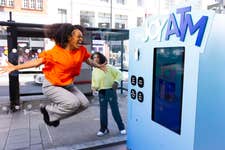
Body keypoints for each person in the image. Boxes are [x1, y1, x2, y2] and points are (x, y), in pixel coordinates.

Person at [0, 23, 106, 127]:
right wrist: (15, 67)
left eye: (82, 37)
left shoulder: (81, 50)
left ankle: (53, 117)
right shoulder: (55, 53)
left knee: (84, 104)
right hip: (52, 85)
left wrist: (99, 65)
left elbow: (89, 61)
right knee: (73, 103)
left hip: (68, 85)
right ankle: (47, 109)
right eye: (78, 37)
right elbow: (36, 62)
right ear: (69, 38)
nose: (81, 40)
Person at [91, 52, 126, 136]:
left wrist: (116, 82)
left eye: (97, 57)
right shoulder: (95, 70)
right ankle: (103, 129)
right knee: (103, 111)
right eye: (94, 58)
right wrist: (94, 88)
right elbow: (94, 81)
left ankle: (121, 127)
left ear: (101, 58)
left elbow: (119, 74)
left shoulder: (108, 67)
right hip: (101, 92)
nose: (95, 59)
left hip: (110, 91)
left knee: (115, 110)